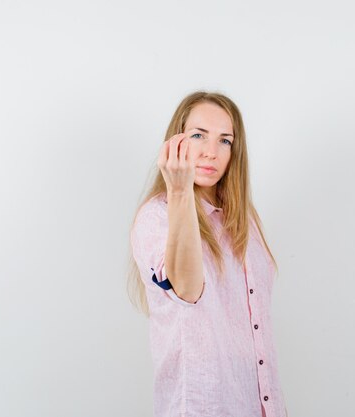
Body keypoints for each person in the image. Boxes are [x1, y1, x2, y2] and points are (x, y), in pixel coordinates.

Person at [128, 90, 288, 417]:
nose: (211, 152)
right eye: (198, 135)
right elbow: (186, 289)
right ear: (177, 141)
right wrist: (179, 190)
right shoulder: (157, 216)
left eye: (225, 141)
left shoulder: (244, 221)